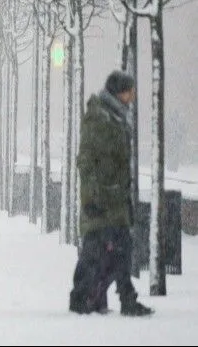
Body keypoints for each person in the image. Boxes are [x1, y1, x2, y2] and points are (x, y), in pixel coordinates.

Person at [68, 71, 153, 317]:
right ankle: (83, 297)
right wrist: (91, 199)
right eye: (130, 91)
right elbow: (87, 162)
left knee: (120, 250)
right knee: (97, 252)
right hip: (103, 201)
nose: (133, 95)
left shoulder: (115, 117)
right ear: (119, 93)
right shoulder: (99, 119)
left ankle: (123, 299)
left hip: (115, 200)